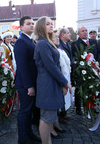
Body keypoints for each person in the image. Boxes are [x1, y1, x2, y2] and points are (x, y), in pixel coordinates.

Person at [34, 16, 72, 144]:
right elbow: (51, 66)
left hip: (51, 83)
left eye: (51, 23)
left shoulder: (47, 42)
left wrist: (62, 83)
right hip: (47, 84)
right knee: (45, 118)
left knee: (49, 117)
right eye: (47, 24)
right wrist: (65, 82)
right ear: (41, 27)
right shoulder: (42, 43)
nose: (51, 25)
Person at [14, 16, 40, 144]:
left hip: (31, 82)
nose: (32, 25)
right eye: (28, 24)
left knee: (30, 111)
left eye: (32, 23)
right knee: (24, 111)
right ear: (21, 27)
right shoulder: (21, 42)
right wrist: (30, 86)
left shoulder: (30, 41)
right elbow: (22, 66)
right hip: (25, 84)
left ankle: (29, 133)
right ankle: (23, 138)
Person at [71, 26, 98, 115]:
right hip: (81, 71)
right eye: (82, 31)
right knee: (80, 89)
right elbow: (73, 57)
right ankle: (78, 107)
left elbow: (98, 53)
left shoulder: (93, 42)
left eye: (86, 30)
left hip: (93, 70)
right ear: (78, 34)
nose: (85, 32)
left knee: (93, 88)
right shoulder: (74, 44)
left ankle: (93, 106)